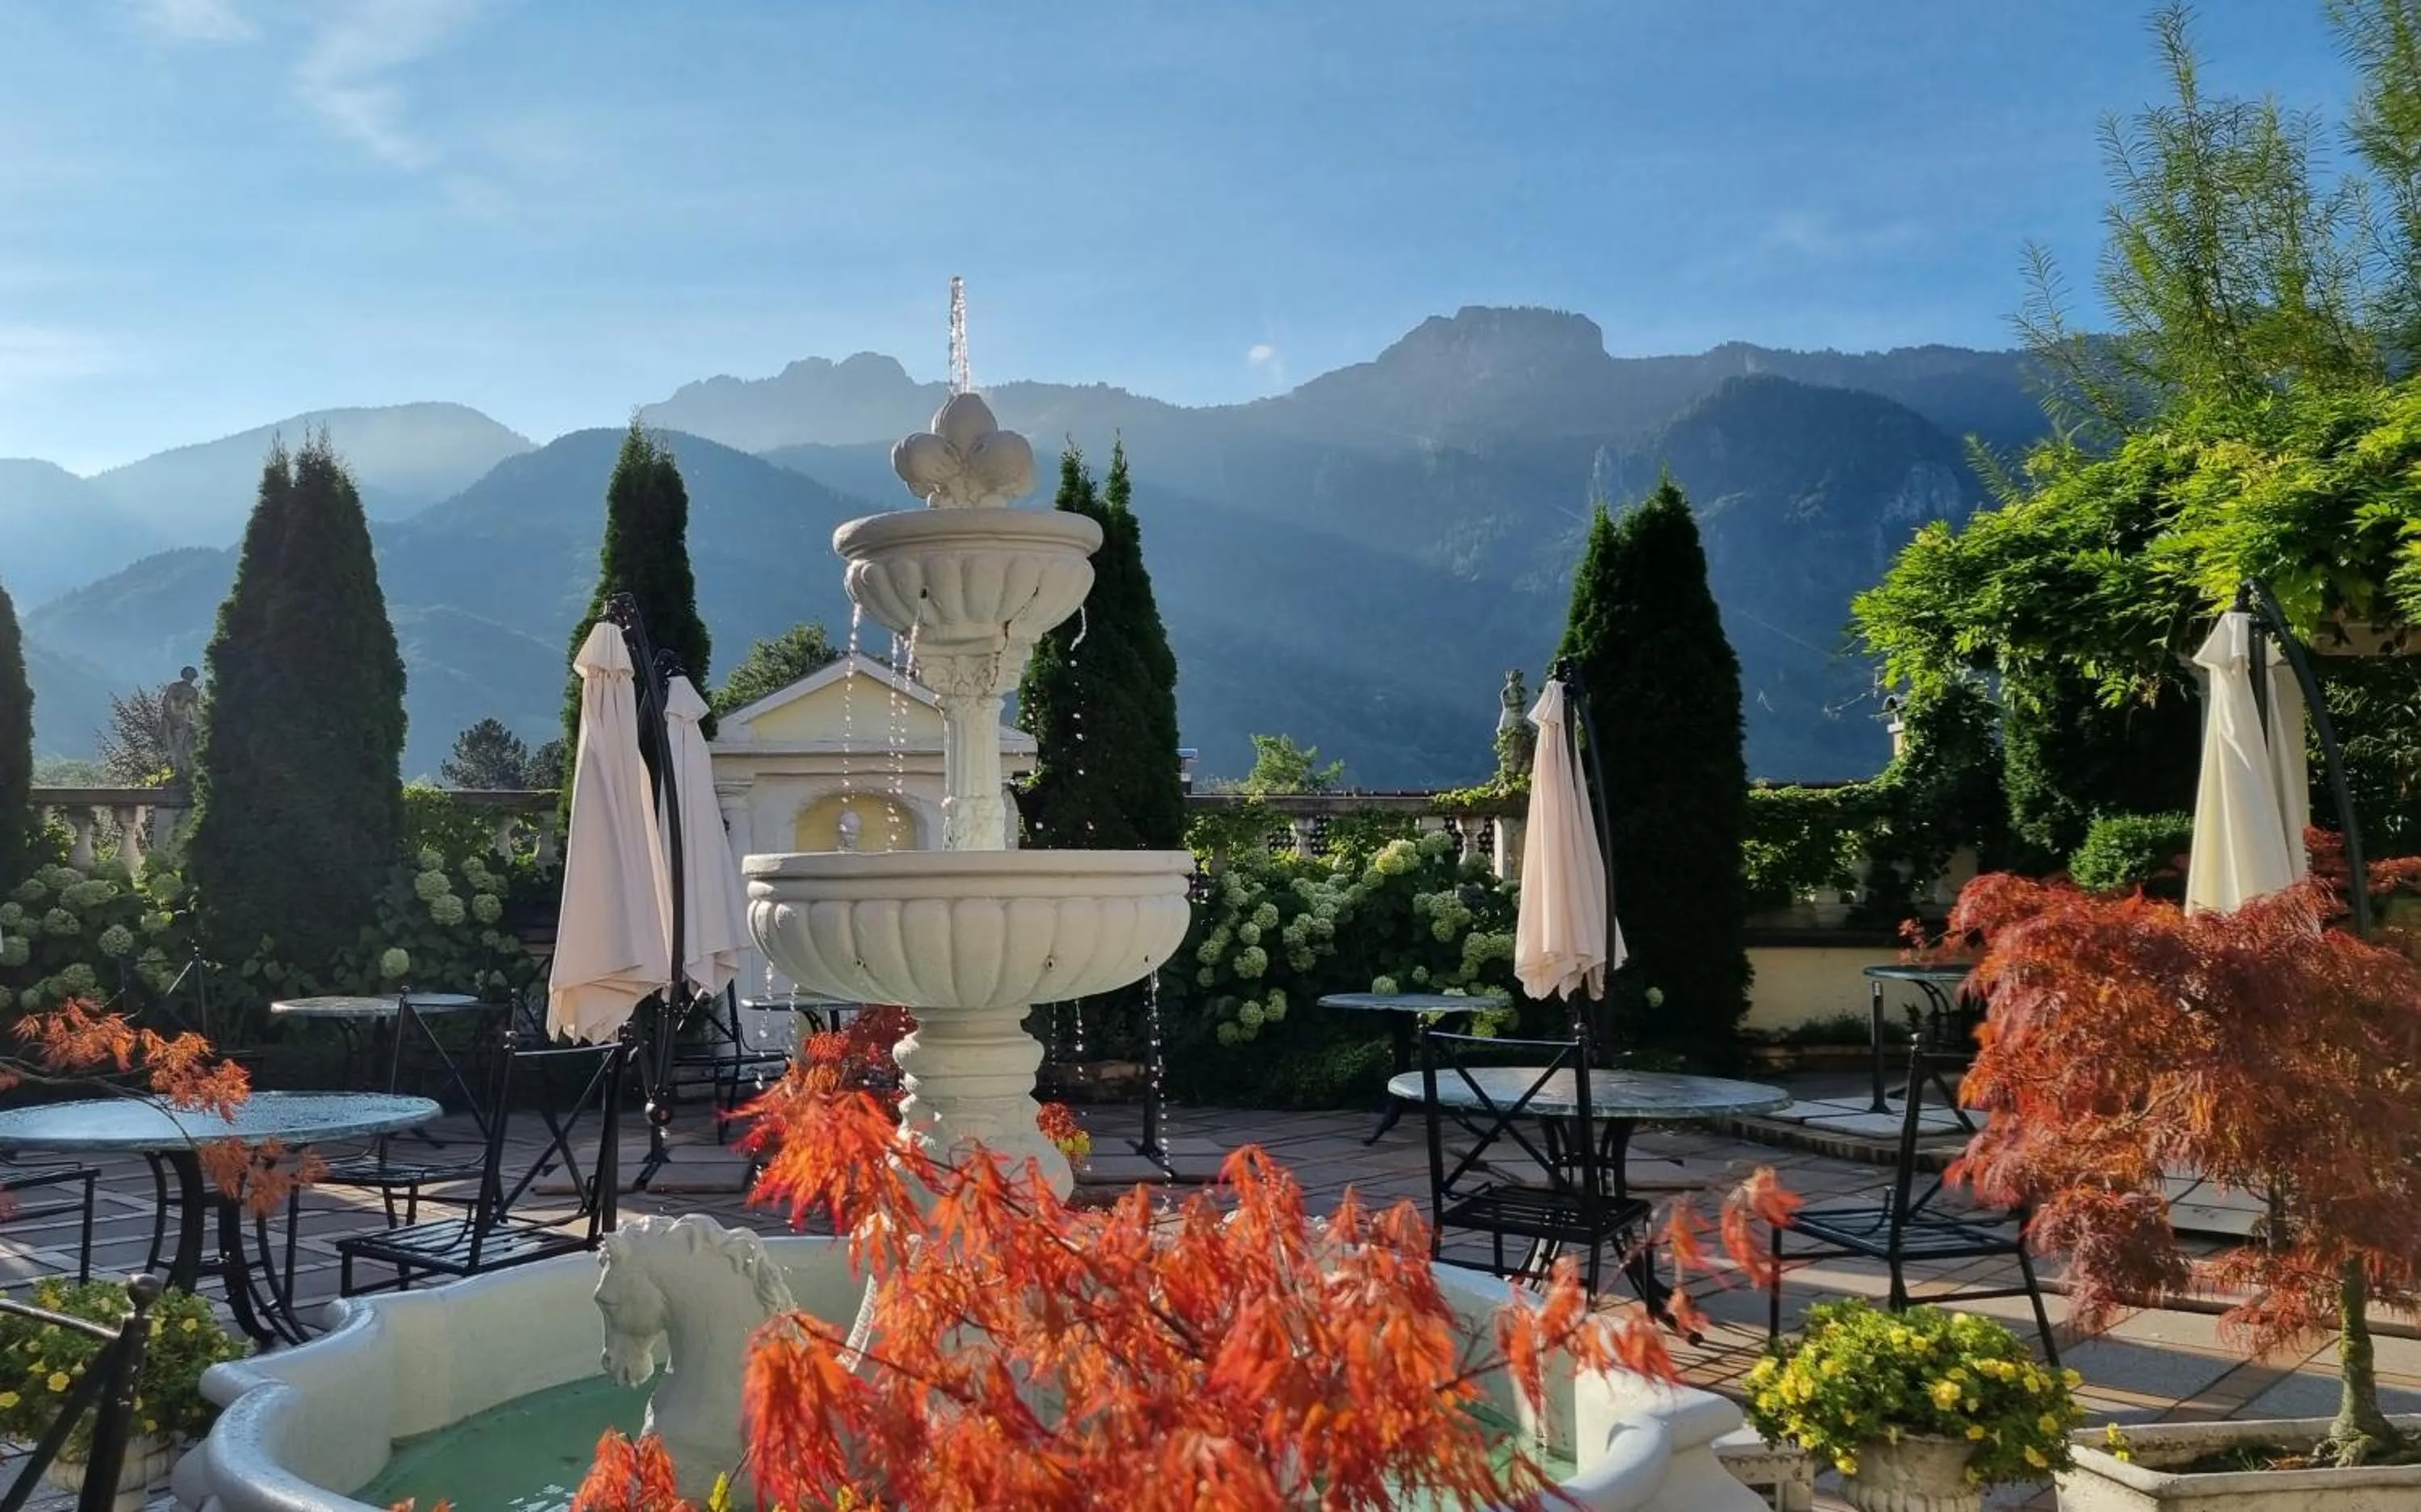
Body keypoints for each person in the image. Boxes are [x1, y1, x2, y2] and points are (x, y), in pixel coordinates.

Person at [160, 666, 201, 782]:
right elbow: (194, 711)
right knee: (178, 747)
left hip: (177, 722)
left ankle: (181, 772)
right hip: (176, 721)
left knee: (177, 748)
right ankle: (180, 772)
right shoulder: (191, 691)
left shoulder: (176, 688)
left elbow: (166, 704)